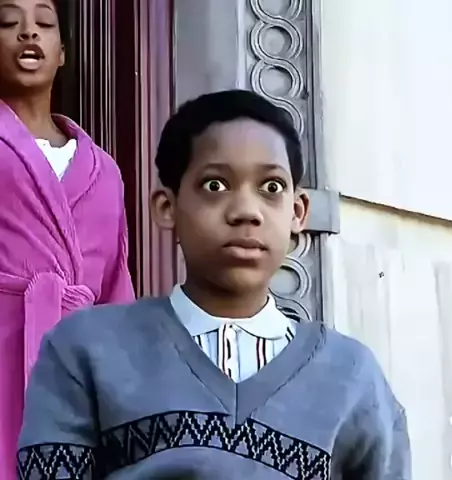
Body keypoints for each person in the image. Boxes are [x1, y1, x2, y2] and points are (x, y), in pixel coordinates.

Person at [16, 89, 411, 479]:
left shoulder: (353, 377)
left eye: (271, 188)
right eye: (215, 186)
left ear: (297, 211)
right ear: (167, 206)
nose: (246, 212)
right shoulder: (85, 350)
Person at [0, 0, 135, 476]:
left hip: (79, 370)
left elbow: (116, 291)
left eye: (44, 22)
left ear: (61, 52)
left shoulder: (104, 172)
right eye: (8, 22)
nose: (28, 32)